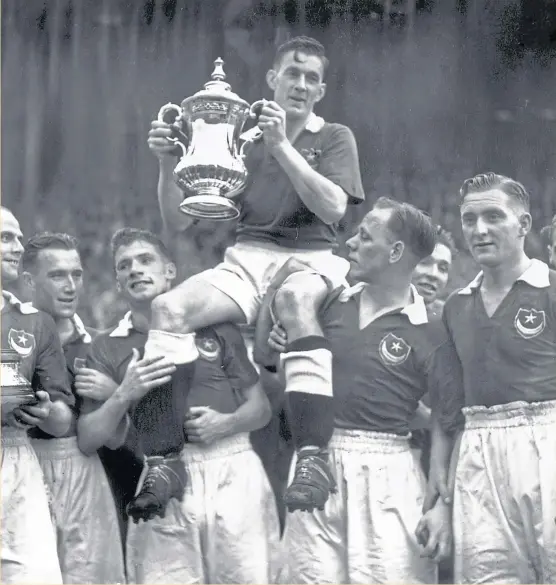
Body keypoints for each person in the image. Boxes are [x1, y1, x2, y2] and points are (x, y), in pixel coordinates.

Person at [147, 35, 364, 511]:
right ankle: (165, 456)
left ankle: (312, 456)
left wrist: (282, 145)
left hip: (312, 257)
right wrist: (168, 165)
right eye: (292, 73)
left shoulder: (333, 136)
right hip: (247, 256)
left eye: (312, 78)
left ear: (321, 90)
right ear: (272, 79)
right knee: (167, 309)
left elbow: (333, 210)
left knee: (293, 301)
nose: (301, 84)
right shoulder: (241, 137)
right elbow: (180, 221)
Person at [267, 198, 456, 583]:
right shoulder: (327, 303)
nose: (350, 243)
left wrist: (441, 508)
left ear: (396, 252)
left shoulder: (434, 331)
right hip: (315, 462)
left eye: (365, 237)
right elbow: (267, 363)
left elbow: (447, 420)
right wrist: (278, 336)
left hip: (389, 472)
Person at [78, 228, 280, 583]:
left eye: (145, 260)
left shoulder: (215, 328)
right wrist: (123, 392)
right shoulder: (107, 346)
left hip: (232, 468)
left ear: (170, 270)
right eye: (124, 266)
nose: (135, 270)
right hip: (161, 475)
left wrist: (226, 423)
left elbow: (260, 409)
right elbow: (89, 438)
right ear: (117, 281)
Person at [429, 173, 556, 583]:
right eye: (469, 219)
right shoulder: (455, 306)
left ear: (523, 225)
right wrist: (439, 494)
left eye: (493, 217)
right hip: (477, 455)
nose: (479, 230)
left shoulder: (551, 290)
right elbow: (447, 409)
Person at [20, 232, 125, 584]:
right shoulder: (10, 340)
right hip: (20, 464)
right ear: (30, 282)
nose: (70, 286)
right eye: (57, 275)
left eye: (76, 274)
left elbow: (116, 439)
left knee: (90, 574)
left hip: (82, 473)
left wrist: (115, 393)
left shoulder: (100, 345)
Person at [0, 207, 74, 584]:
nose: (16, 247)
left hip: (15, 462)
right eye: (4, 238)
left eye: (17, 237)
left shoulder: (33, 322)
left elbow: (63, 421)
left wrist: (44, 410)